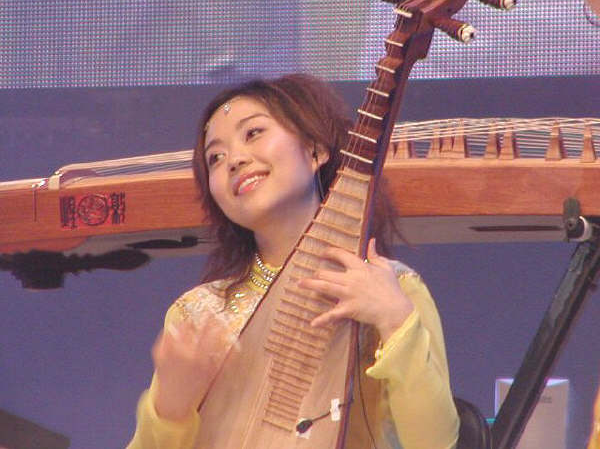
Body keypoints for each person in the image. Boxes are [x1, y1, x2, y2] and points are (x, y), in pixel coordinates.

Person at [127, 74, 459, 449]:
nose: (234, 160)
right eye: (215, 158)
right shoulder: (198, 313)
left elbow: (434, 443)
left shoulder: (393, 289)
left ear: (315, 150)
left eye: (253, 133)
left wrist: (395, 320)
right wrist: (169, 409)